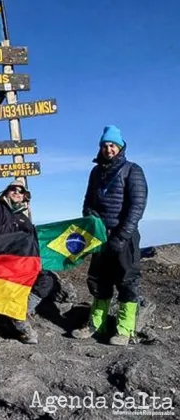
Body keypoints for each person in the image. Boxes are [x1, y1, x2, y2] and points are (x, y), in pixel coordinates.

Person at [72, 125, 148, 346]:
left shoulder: (133, 170)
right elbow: (88, 202)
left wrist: (121, 236)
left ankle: (124, 330)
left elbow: (137, 206)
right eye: (105, 145)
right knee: (98, 280)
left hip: (124, 236)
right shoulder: (96, 172)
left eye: (112, 145)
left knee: (127, 281)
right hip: (100, 236)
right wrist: (91, 217)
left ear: (120, 146)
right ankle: (97, 324)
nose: (108, 149)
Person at [0, 179, 55, 345]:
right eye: (13, 189)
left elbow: (33, 239)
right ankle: (17, 318)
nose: (17, 193)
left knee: (46, 278)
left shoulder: (22, 216)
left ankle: (18, 312)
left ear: (24, 196)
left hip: (17, 261)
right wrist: (20, 230)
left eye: (21, 191)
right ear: (6, 192)